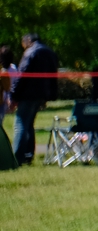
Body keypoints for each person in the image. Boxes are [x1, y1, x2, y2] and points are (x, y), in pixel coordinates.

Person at [15, 33, 59, 165]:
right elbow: (54, 76)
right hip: (41, 95)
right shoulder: (50, 52)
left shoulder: (30, 52)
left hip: (27, 95)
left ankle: (18, 158)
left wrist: (13, 94)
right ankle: (29, 155)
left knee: (20, 124)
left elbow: (21, 75)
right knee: (29, 124)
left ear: (28, 41)